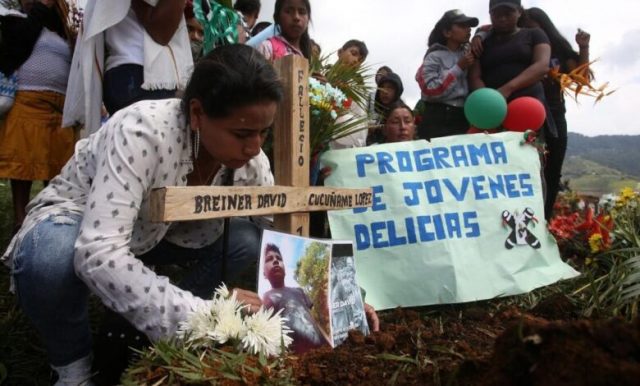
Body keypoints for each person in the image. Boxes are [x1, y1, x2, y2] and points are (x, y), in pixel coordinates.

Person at [2, 44, 281, 385]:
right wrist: (204, 314)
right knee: (49, 259)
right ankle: (72, 365)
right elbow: (99, 252)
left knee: (245, 240)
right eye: (241, 134)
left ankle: (137, 323)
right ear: (197, 113)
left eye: (263, 132)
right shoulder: (142, 131)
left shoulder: (250, 160)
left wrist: (327, 293)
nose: (254, 147)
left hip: (156, 232)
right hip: (81, 222)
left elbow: (278, 221)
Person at [468, 0, 556, 217]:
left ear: (519, 12)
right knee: (492, 172)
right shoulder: (483, 43)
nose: (502, 18)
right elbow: (475, 75)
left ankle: (537, 221)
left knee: (530, 169)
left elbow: (541, 65)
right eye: (496, 13)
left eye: (508, 12)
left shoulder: (534, 35)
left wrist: (506, 90)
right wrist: (489, 100)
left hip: (528, 114)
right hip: (490, 116)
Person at [0, 0, 77, 234]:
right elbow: (18, 45)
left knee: (57, 168)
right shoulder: (15, 20)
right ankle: (20, 222)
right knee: (23, 165)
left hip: (59, 109)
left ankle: (51, 218)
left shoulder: (62, 30)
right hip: (28, 102)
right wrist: (42, 8)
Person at [62, 0, 193, 135]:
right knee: (149, 151)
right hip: (145, 77)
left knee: (129, 150)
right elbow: (161, 32)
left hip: (121, 76)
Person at [520, 7, 591, 218]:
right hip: (526, 114)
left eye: (533, 27)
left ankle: (545, 220)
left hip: (555, 113)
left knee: (552, 172)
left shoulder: (558, 49)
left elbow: (582, 78)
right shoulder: (520, 48)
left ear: (544, 26)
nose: (531, 32)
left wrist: (584, 47)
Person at [415, 9, 478, 140]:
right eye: (462, 26)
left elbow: (490, 31)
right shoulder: (433, 56)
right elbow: (430, 89)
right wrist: (459, 67)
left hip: (462, 116)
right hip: (437, 117)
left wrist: (480, 35)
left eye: (469, 26)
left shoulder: (469, 51)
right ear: (447, 32)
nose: (468, 30)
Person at [261, 243, 331, 354]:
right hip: (298, 359)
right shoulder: (267, 296)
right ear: (264, 274)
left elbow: (314, 321)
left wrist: (329, 342)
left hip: (323, 351)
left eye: (279, 258)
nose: (275, 261)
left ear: (285, 269)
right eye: (269, 259)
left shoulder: (299, 291)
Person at [367, 72, 404, 145]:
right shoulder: (381, 113)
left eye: (390, 87)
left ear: (397, 90)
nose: (385, 91)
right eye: (382, 87)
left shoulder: (401, 112)